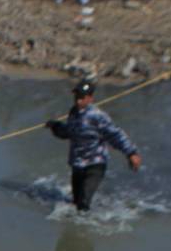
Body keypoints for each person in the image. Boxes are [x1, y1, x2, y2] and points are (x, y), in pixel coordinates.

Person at [46, 80, 142, 212]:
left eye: (82, 97)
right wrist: (55, 126)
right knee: (76, 203)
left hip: (95, 164)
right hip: (78, 164)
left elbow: (115, 135)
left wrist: (131, 153)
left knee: (83, 204)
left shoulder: (98, 116)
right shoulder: (73, 113)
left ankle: (91, 221)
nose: (78, 100)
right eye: (77, 96)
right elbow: (68, 132)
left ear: (90, 98)